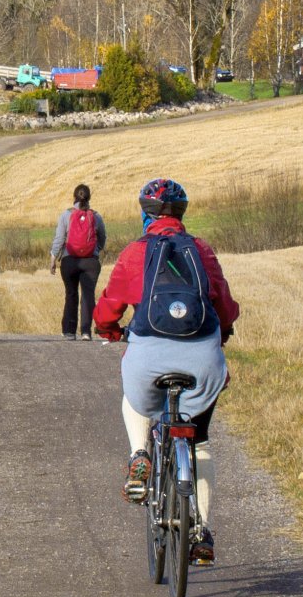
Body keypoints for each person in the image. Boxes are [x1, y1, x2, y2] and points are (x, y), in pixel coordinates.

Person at [93, 177, 239, 565]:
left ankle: (140, 453)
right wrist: (222, 332)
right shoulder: (201, 250)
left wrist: (109, 330)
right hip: (202, 358)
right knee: (200, 440)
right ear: (182, 213)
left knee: (135, 397)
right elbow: (223, 303)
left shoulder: (135, 252)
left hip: (149, 358)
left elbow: (109, 306)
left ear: (145, 214)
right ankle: (200, 531)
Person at [48, 183, 106, 340]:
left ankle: (69, 331)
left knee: (71, 294)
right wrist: (95, 250)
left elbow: (59, 239)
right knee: (88, 295)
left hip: (69, 261)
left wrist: (53, 258)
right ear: (89, 198)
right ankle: (86, 331)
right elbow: (102, 238)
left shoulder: (66, 215)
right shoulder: (96, 216)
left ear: (74, 197)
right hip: (91, 262)